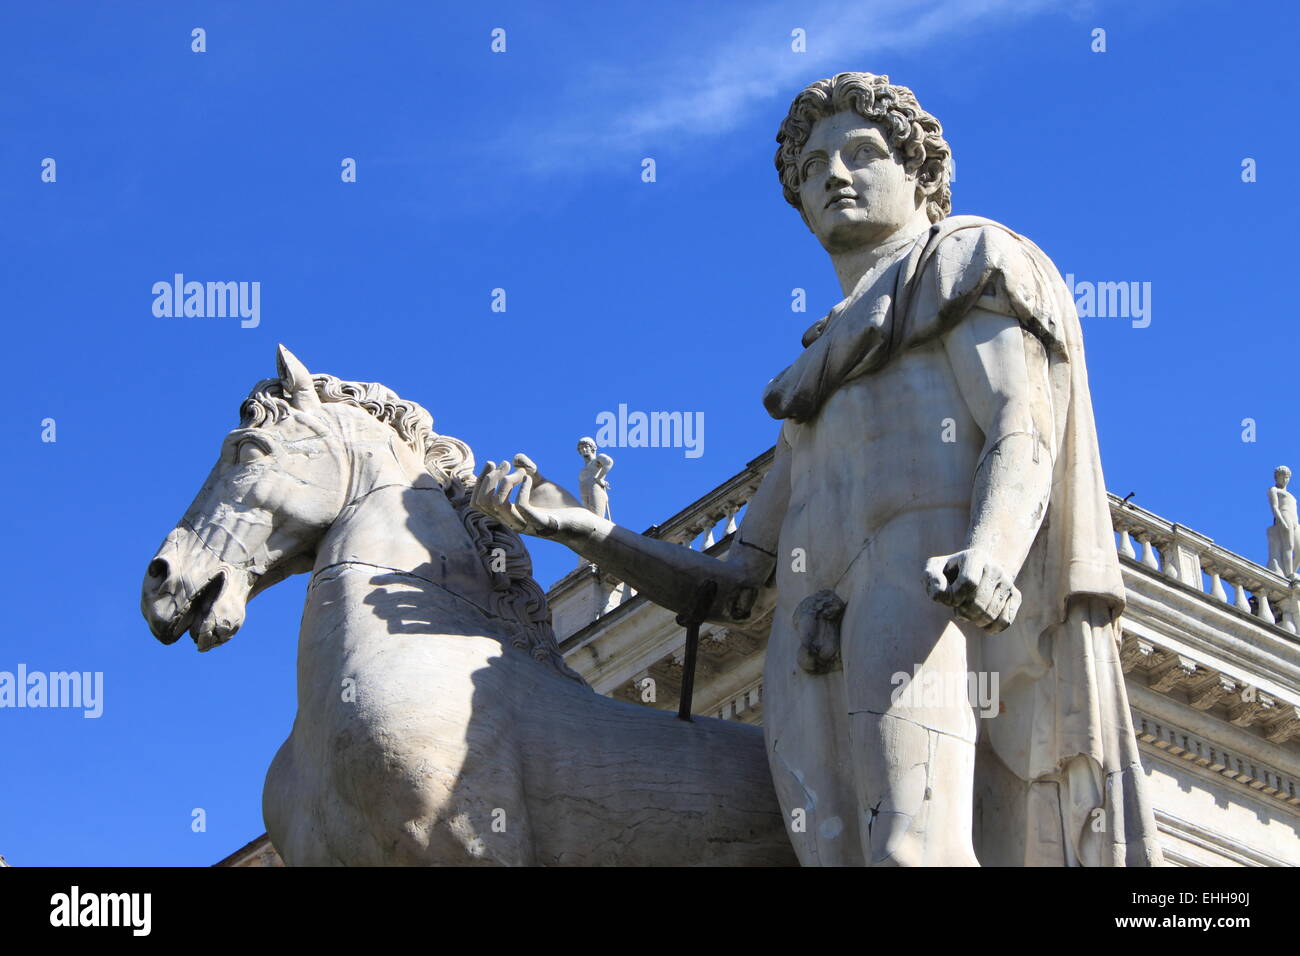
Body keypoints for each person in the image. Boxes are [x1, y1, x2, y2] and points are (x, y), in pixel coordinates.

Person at [473, 72, 1161, 866]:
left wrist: (994, 553)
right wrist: (583, 528)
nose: (834, 173)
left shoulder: (964, 260)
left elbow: (1021, 426)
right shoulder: (812, 381)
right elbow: (731, 585)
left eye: (863, 152)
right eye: (812, 168)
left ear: (920, 175)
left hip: (922, 586)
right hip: (808, 643)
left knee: (912, 850)